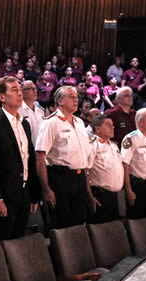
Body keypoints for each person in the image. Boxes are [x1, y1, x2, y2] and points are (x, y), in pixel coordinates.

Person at [0, 76, 41, 241]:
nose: (20, 93)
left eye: (20, 90)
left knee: (18, 240)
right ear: (1, 97)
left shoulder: (24, 124)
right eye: (14, 90)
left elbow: (29, 159)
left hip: (23, 193)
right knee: (1, 241)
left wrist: (34, 193)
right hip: (4, 194)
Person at [35, 86, 90, 229]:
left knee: (78, 222)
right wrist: (46, 188)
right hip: (60, 178)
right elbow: (40, 157)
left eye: (76, 96)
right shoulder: (50, 123)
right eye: (71, 96)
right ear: (59, 101)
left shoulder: (79, 122)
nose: (76, 99)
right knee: (62, 223)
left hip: (79, 177)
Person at [121, 108, 146, 219]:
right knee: (138, 223)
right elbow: (125, 164)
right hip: (139, 187)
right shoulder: (131, 138)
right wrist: (128, 190)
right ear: (140, 122)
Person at [87, 114, 124, 223]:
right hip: (99, 194)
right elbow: (85, 171)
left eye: (112, 125)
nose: (113, 127)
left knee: (114, 229)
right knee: (101, 231)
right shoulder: (92, 145)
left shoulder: (114, 146)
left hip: (115, 196)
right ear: (97, 128)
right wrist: (89, 195)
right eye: (108, 125)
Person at [19, 80, 45, 145]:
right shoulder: (18, 110)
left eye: (35, 88)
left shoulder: (40, 110)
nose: (35, 91)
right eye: (31, 89)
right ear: (22, 92)